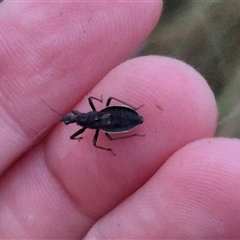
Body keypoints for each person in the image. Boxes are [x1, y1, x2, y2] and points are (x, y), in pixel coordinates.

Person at [0, 1, 239, 239]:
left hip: (114, 118)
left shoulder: (86, 121)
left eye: (72, 119)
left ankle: (132, 127)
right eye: (72, 120)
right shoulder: (87, 117)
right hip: (110, 118)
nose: (72, 119)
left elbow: (93, 124)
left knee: (101, 132)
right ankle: (131, 128)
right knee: (102, 130)